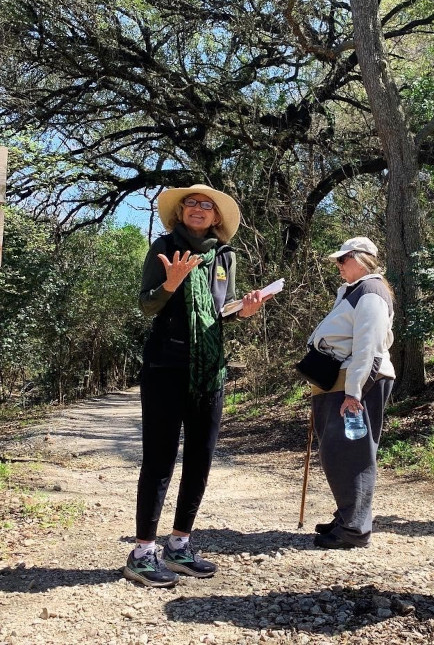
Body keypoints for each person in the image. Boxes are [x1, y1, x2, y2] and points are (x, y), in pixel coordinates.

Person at [123, 184, 266, 588]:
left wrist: (246, 310)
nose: (199, 209)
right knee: (160, 459)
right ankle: (142, 553)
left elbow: (224, 308)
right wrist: (171, 282)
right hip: (166, 364)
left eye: (207, 205)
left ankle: (180, 545)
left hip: (210, 368)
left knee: (201, 458)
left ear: (217, 217)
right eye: (192, 204)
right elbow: (146, 304)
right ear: (181, 212)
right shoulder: (164, 247)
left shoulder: (224, 255)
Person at [306, 237, 395, 550]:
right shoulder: (355, 291)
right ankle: (349, 516)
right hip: (339, 381)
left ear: (363, 258)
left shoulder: (371, 292)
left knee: (350, 454)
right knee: (336, 453)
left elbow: (368, 347)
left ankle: (354, 528)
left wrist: (355, 393)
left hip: (354, 384)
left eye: (344, 259)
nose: (339, 265)